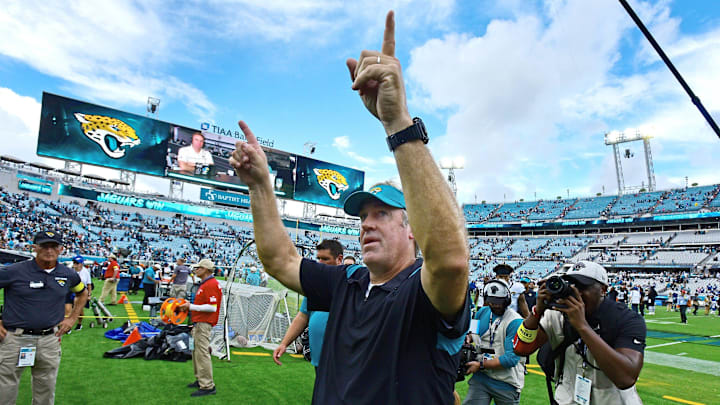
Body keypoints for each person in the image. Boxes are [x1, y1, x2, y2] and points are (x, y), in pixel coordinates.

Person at [228, 11, 470, 404]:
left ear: (413, 229)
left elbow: (451, 262)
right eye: (362, 217)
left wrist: (396, 123)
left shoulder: (422, 289)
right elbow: (279, 261)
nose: (366, 225)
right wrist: (260, 186)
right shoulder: (349, 281)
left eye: (382, 214)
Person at [513, 261, 646, 404]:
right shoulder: (557, 314)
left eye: (583, 287)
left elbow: (625, 378)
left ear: (603, 289)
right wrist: (537, 312)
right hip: (567, 398)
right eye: (571, 286)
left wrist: (582, 326)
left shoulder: (626, 319)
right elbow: (521, 349)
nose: (576, 292)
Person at [0, 230, 89, 404]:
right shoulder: (15, 271)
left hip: (49, 339)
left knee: (46, 390)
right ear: (34, 248)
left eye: (53, 246)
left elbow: (82, 293)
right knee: (5, 390)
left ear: (61, 249)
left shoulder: (68, 274)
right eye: (44, 246)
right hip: (14, 338)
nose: (49, 251)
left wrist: (72, 318)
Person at [272, 239, 344, 369]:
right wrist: (284, 343)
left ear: (339, 259)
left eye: (325, 259)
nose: (320, 263)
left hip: (341, 362)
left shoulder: (348, 285)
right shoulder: (317, 286)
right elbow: (302, 316)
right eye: (318, 258)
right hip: (319, 361)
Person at [462, 279, 525, 405]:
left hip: (506, 382)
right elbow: (471, 333)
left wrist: (480, 365)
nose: (495, 305)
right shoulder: (482, 312)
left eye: (499, 302)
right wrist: (468, 339)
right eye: (492, 302)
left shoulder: (515, 321)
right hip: (481, 378)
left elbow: (511, 359)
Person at [180, 259, 221, 397]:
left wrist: (190, 306)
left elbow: (212, 307)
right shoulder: (207, 284)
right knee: (196, 352)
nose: (196, 270)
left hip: (204, 323)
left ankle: (207, 385)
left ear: (205, 269)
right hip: (199, 322)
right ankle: (201, 379)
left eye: (199, 268)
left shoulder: (210, 284)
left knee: (202, 353)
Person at [70, 255, 93, 331]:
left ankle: (79, 324)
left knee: (79, 309)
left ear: (81, 264)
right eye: (74, 262)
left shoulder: (85, 272)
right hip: (70, 291)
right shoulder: (70, 270)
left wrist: (89, 294)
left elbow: (89, 284)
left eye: (77, 263)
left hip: (81, 292)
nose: (75, 264)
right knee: (68, 308)